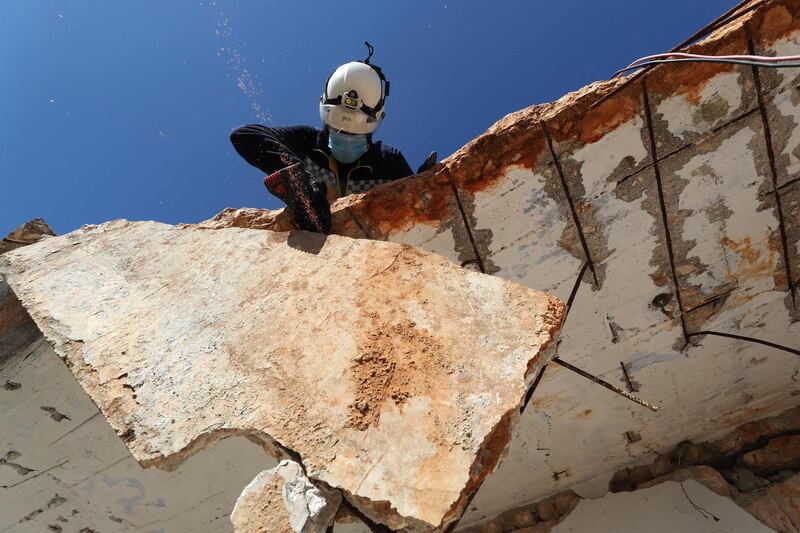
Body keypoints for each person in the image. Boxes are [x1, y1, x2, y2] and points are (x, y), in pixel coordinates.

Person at [230, 43, 433, 234]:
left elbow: (418, 211)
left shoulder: (389, 160)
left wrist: (424, 187)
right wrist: (304, 183)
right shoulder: (307, 140)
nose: (345, 135)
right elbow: (244, 136)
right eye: (338, 128)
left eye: (354, 132)